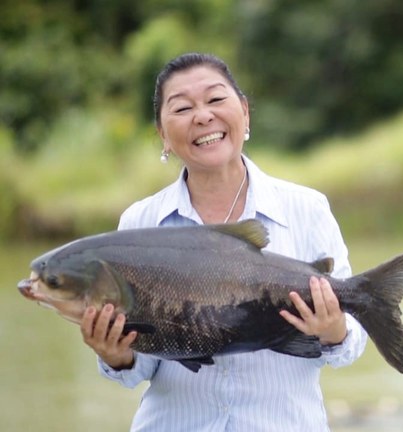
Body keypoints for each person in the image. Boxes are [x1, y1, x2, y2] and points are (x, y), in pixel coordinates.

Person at [78, 52, 368, 432]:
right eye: (182, 108)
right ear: (162, 134)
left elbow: (349, 348)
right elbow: (139, 370)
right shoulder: (140, 222)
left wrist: (332, 330)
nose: (202, 116)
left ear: (245, 113)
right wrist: (116, 355)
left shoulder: (307, 208)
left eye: (216, 100)